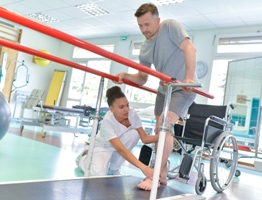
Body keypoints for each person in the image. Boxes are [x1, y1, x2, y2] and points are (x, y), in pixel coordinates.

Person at [114, 3, 198, 190]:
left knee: (164, 125)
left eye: (148, 24)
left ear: (158, 21)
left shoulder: (170, 27)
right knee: (161, 130)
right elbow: (142, 79)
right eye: (141, 26)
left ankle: (155, 174)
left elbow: (190, 49)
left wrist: (189, 79)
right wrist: (126, 76)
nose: (145, 29)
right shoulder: (144, 48)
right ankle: (163, 174)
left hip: (182, 88)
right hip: (164, 90)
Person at [76, 86, 158, 186]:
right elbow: (121, 150)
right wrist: (144, 167)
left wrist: (163, 136)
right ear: (112, 109)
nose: (126, 109)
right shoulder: (107, 121)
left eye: (127, 105)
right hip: (103, 146)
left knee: (134, 134)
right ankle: (83, 158)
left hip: (120, 144)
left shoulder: (132, 114)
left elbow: (145, 138)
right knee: (98, 174)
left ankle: (114, 168)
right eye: (121, 107)